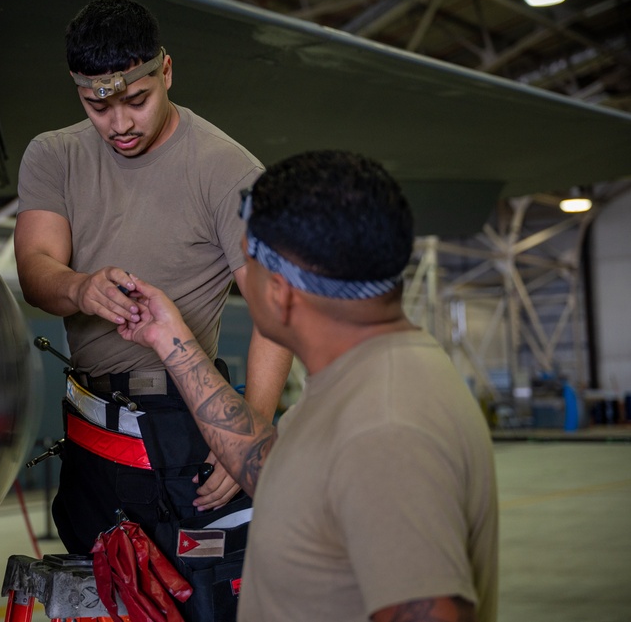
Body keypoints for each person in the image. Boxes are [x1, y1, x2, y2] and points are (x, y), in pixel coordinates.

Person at [117, 150, 499, 622]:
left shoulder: (385, 428)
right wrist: (173, 344)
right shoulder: (371, 374)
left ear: (280, 291)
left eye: (247, 263)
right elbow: (279, 474)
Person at [13, 0, 294, 615]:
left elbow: (278, 309)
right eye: (97, 106)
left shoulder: (226, 170)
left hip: (183, 432)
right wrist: (81, 289)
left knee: (201, 601)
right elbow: (36, 270)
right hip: (90, 435)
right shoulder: (54, 155)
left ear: (166, 71)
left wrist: (250, 425)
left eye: (135, 100)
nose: (119, 125)